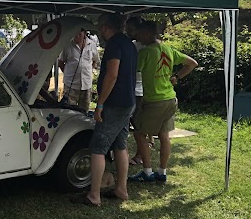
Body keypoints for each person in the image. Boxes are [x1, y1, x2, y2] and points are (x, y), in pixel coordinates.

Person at [71, 13, 137, 206]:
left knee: (97, 147)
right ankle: (121, 190)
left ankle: (94, 195)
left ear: (106, 26)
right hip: (128, 102)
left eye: (100, 27)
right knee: (120, 145)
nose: (99, 31)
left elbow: (112, 75)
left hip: (114, 103)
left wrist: (100, 103)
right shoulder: (129, 44)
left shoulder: (114, 44)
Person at [128, 21, 198, 184]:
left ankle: (147, 172)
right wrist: (177, 77)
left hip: (154, 101)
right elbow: (192, 63)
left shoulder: (145, 53)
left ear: (147, 34)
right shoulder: (168, 49)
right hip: (170, 99)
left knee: (139, 133)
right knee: (164, 135)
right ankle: (162, 172)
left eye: (139, 34)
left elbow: (132, 71)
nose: (138, 37)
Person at [125, 16, 151, 166]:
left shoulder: (148, 47)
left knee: (139, 127)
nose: (128, 32)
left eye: (131, 29)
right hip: (131, 88)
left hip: (141, 91)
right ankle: (131, 154)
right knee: (129, 125)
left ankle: (140, 155)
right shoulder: (133, 44)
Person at [58, 29, 99, 111]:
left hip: (86, 85)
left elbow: (95, 60)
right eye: (75, 34)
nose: (77, 36)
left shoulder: (92, 45)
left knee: (84, 110)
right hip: (70, 85)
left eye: (79, 34)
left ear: (84, 34)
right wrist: (67, 74)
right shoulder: (68, 45)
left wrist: (89, 71)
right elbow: (61, 62)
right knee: (69, 110)